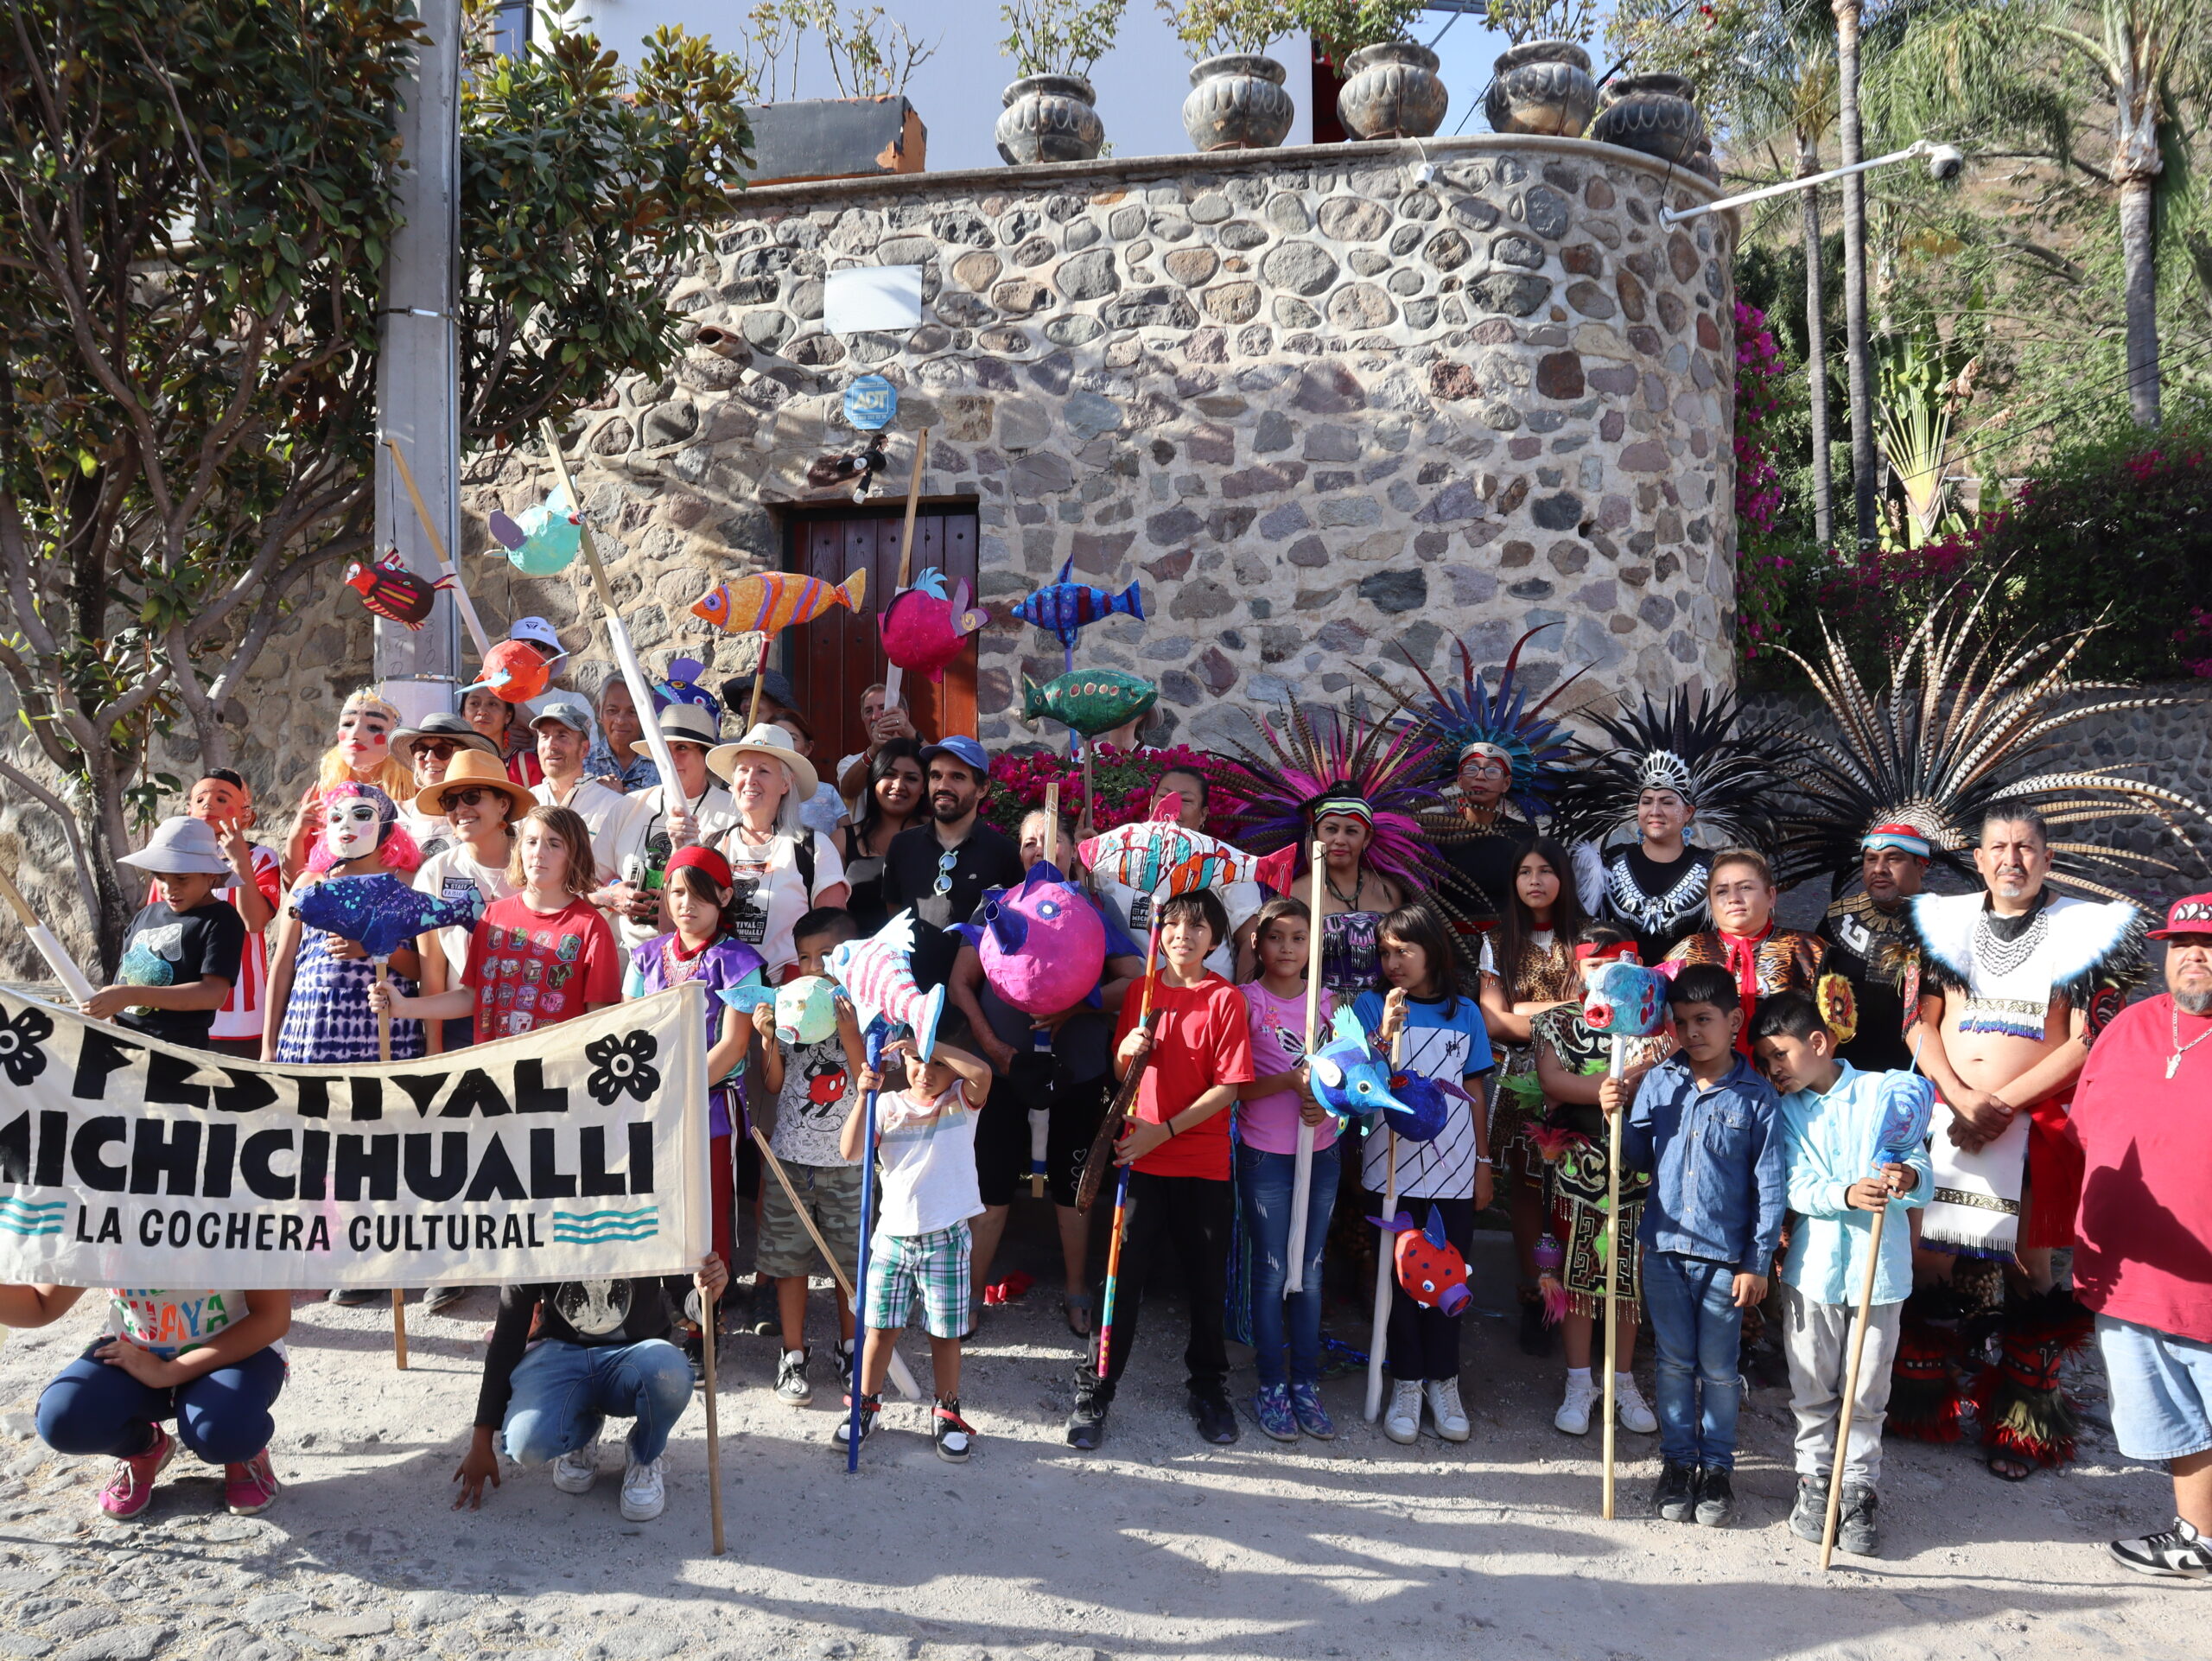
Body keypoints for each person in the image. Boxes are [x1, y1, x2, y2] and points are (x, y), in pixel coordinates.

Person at [1904, 808, 2141, 1480]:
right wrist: (1957, 1094)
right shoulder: (1939, 924)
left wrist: (2003, 1103)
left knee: (2030, 1274)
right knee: (1929, 1261)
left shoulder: (2086, 933)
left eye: (2026, 847)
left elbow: (2090, 1036)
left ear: (2047, 857)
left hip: (2032, 1125)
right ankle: (1924, 1404)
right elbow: (1917, 1021)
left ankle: (2023, 1426)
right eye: (1998, 847)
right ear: (1977, 860)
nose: (2012, 859)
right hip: (1949, 1115)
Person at [1067, 889, 1255, 1452]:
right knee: (1120, 1286)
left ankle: (1209, 1388)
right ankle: (1096, 1389)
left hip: (1201, 1162)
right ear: (1160, 933)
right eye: (1173, 925)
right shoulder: (1142, 993)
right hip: (1138, 1160)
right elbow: (1123, 1072)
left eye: (1198, 928)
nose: (1183, 935)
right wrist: (1126, 1046)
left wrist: (1164, 1131)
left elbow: (1231, 1088)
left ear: (1215, 941)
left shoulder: (1225, 1000)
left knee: (1205, 1286)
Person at [949, 808, 1143, 1340]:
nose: (1039, 850)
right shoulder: (997, 903)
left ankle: (1078, 1290)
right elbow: (961, 983)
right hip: (1003, 1073)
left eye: (1050, 841)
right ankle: (968, 1296)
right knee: (990, 1185)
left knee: (1074, 1186)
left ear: (1069, 851)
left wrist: (1076, 1007)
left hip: (1076, 1070)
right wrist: (992, 1045)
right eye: (1029, 841)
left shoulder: (1093, 908)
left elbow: (1133, 981)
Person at [1607, 961, 1787, 1528]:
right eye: (1682, 1022)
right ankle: (1677, 1464)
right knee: (1673, 1362)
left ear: (1734, 1020)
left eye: (1705, 1020)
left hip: (1724, 1258)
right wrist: (1619, 1113)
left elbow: (1770, 1189)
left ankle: (1718, 1469)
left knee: (1718, 1366)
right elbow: (1636, 1162)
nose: (1693, 1033)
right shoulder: (1661, 1080)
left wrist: (1757, 1262)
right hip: (1663, 1248)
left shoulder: (1757, 1097)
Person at [1751, 990, 1931, 1559]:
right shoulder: (1783, 1113)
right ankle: (1814, 1482)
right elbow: (1793, 1185)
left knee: (1867, 1387)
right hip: (1812, 1272)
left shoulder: (1884, 1092)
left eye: (1779, 1055)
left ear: (1819, 1042)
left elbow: (1924, 1168)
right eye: (1765, 1061)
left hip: (1882, 1273)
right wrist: (1844, 1193)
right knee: (1812, 1386)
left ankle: (1857, 1489)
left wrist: (1905, 1176)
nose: (1773, 1069)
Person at [2070, 893, 2212, 1578]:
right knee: (2177, 1419)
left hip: (2207, 1280)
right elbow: (2087, 1125)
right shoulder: (2130, 1025)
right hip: (2127, 1274)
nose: (2194, 955)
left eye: (2210, 945)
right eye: (2182, 943)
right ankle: (2198, 1536)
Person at [1355, 905, 1497, 1445]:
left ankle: (1445, 1382)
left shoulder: (1465, 1013)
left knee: (1449, 1277)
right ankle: (1407, 1383)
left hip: (1456, 1168)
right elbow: (1360, 1083)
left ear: (1432, 951)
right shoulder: (1371, 1006)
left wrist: (1483, 1165)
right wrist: (1384, 1035)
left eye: (1404, 951)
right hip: (1389, 1168)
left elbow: (1477, 1091)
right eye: (1385, 952)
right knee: (1397, 1282)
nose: (1393, 962)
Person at [623, 846, 766, 1371]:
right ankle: (654, 1313)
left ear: (724, 897)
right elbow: (630, 1027)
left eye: (700, 894)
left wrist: (674, 1087)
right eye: (677, 892)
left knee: (707, 1216)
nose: (686, 905)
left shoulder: (739, 961)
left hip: (708, 1108)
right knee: (655, 1208)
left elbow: (732, 1045)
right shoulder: (646, 956)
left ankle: (703, 1322)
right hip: (650, 1107)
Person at [454, 1255, 728, 1522]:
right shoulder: (542, 1220)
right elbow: (508, 1334)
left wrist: (709, 1293)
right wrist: (481, 1440)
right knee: (525, 1443)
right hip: (560, 1353)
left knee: (671, 1372)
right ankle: (580, 1426)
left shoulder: (648, 1215)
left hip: (635, 1353)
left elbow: (689, 1300)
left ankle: (645, 1453)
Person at [1531, 926, 1672, 1439]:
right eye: (1593, 964)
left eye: (1616, 961)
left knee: (1626, 1280)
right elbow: (1552, 1080)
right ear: (1577, 966)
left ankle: (1621, 1379)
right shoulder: (1554, 1022)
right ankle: (1577, 1381)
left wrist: (1632, 1084)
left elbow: (1660, 1072)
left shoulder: (1654, 1025)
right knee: (1576, 1278)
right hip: (1576, 1169)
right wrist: (1604, 1090)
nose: (1603, 973)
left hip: (1637, 1168)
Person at [1211, 698, 1452, 996]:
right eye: (1330, 829)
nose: (1340, 839)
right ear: (1314, 835)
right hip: (1318, 1018)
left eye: (1352, 831)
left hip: (1381, 1014)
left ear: (1367, 839)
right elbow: (1261, 952)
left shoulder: (1389, 890)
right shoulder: (1291, 893)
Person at [4, 1283, 288, 1520]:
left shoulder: (241, 1214)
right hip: (135, 1351)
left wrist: (169, 1372)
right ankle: (144, 1448)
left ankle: (242, 1453)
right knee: (63, 1420)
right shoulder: (100, 1215)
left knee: (223, 1433)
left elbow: (271, 1318)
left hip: (236, 1353)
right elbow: (41, 1305)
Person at [1554, 691, 1792, 965]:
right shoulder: (1606, 863)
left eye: (1667, 802)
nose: (1655, 811)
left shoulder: (1712, 868)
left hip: (1692, 996)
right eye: (1647, 802)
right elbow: (1589, 937)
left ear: (1688, 813)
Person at [840, 1035, 993, 1461]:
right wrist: (862, 1097)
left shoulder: (961, 1101)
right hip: (892, 1238)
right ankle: (865, 1406)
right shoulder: (886, 1106)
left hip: (946, 1238)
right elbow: (851, 1150)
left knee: (944, 1335)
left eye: (938, 1064)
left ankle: (947, 1411)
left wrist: (932, 1042)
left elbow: (983, 1073)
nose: (926, 1072)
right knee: (879, 1332)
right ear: (903, 1058)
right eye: (917, 1060)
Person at [1391, 627, 1586, 940]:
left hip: (1509, 946)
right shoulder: (1434, 832)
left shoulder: (1523, 836)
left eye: (1491, 771)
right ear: (1458, 778)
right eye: (1472, 769)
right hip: (1448, 947)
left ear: (1507, 782)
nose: (1480, 776)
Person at [372, 804, 623, 1045]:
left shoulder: (591, 927)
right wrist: (404, 1006)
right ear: (519, 850)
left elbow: (597, 1020)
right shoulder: (493, 916)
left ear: (575, 855)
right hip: (495, 1073)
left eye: (554, 844)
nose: (538, 852)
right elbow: (472, 996)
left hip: (557, 1076)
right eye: (531, 842)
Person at [1475, 837, 1586, 1355]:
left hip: (1585, 1077)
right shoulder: (1498, 941)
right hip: (1520, 1082)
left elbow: (1607, 1014)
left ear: (1564, 878)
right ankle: (1535, 1297)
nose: (1535, 881)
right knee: (1525, 1188)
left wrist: (1530, 1008)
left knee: (1580, 1190)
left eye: (1546, 871)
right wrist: (1569, 1007)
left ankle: (1583, 1298)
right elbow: (1494, 1020)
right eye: (1524, 871)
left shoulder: (1591, 939)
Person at [752, 909, 866, 1403]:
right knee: (790, 1260)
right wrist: (767, 1038)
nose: (814, 966)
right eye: (804, 957)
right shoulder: (791, 1005)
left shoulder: (864, 1006)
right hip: (791, 1157)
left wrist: (848, 1029)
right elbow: (775, 1084)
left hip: (850, 1162)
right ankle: (793, 1355)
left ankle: (851, 1348)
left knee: (850, 1264)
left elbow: (868, 1076)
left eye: (826, 956)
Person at [1236, 895, 1338, 1441]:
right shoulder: (1244, 1003)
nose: (1287, 948)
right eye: (1276, 937)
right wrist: (1290, 1082)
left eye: (1299, 938)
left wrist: (1326, 1098)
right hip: (1265, 1152)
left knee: (1311, 1271)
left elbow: (1349, 1076)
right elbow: (1234, 1086)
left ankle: (1306, 1383)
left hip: (1321, 1151)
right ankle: (1271, 1383)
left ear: (1312, 946)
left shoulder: (1327, 1004)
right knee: (1274, 1270)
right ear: (1258, 943)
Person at [266, 784, 424, 1068]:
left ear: (385, 825)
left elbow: (423, 971)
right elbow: (283, 965)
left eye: (362, 815)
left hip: (384, 1029)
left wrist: (375, 947)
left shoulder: (408, 884)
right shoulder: (308, 883)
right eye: (336, 817)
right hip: (309, 1026)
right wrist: (268, 1045)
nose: (347, 825)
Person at [880, 736, 1022, 1027]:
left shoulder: (1004, 853)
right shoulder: (902, 846)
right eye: (935, 776)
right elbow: (894, 914)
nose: (943, 785)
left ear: (982, 788)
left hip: (978, 1013)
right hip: (911, 1007)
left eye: (957, 777)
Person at [410, 749, 532, 1059]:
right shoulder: (435, 872)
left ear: (503, 804)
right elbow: (432, 969)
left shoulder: (536, 864)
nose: (460, 809)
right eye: (450, 801)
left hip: (532, 1014)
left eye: (472, 796)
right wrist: (434, 1047)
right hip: (461, 1024)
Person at [87, 817, 246, 1053]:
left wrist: (131, 995)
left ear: (211, 876)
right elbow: (124, 976)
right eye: (160, 877)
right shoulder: (145, 915)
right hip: (120, 1048)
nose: (169, 889)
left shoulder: (221, 920)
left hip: (174, 1057)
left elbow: (213, 994)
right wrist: (107, 1010)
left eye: (182, 879)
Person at [703, 723, 849, 980]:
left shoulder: (815, 848)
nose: (750, 779)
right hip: (719, 990)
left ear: (785, 784)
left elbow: (833, 938)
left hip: (787, 997)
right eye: (743, 770)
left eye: (763, 771)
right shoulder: (713, 846)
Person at [149, 773, 277, 1059]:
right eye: (201, 798)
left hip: (241, 1012)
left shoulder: (262, 859)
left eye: (222, 798)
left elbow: (254, 922)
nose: (209, 804)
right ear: (189, 811)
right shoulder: (167, 863)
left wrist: (240, 860)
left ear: (246, 816)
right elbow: (153, 929)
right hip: (178, 1001)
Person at [1090, 767, 1258, 979]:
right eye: (1164, 796)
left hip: (1209, 1005)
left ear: (1203, 814)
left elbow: (1250, 940)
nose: (1173, 806)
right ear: (1152, 803)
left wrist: (1244, 999)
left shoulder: (1224, 862)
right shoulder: (1117, 855)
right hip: (1132, 1005)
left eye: (1186, 801)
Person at [601, 703, 740, 953]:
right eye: (664, 749)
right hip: (624, 955)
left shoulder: (733, 813)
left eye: (683, 748)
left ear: (705, 756)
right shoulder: (628, 806)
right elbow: (586, 882)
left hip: (699, 957)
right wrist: (612, 896)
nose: (672, 758)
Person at [1664, 848, 1827, 1055]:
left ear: (1771, 896)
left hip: (1787, 1078)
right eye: (1721, 891)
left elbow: (1832, 1030)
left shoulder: (1808, 948)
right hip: (1704, 1078)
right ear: (1711, 902)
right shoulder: (1687, 951)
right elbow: (1663, 1027)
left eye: (1746, 888)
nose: (1733, 898)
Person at [1817, 825, 1932, 1072]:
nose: (1879, 869)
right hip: (1844, 1070)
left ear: (1921, 866)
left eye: (1893, 858)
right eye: (1871, 859)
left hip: (1919, 1072)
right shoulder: (1838, 918)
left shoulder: (1948, 922)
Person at [282, 688, 416, 878]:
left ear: (395, 738)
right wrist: (297, 834)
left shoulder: (411, 791)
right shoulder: (321, 795)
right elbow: (295, 884)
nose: (356, 734)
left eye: (374, 727)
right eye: (348, 723)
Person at [531, 699, 642, 885]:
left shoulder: (614, 805)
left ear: (584, 749)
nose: (551, 745)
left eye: (562, 736)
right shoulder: (528, 801)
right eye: (544, 735)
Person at [837, 737, 925, 936]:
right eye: (889, 774)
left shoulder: (939, 837)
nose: (898, 785)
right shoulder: (842, 841)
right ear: (874, 779)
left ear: (923, 787)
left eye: (911, 778)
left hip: (924, 960)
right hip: (857, 961)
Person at [392, 711, 502, 857]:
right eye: (421, 749)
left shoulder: (486, 811)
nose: (430, 758)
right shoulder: (394, 814)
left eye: (443, 750)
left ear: (467, 756)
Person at [835, 681, 920, 805]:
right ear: (864, 719)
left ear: (904, 715)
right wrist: (874, 750)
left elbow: (938, 768)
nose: (875, 716)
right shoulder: (851, 762)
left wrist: (913, 734)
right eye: (868, 711)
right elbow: (848, 791)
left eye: (883, 708)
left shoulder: (920, 756)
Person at [768, 706, 849, 837]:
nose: (784, 745)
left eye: (792, 739)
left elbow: (848, 841)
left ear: (808, 748)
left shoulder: (827, 793)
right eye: (776, 738)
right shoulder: (758, 792)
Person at [586, 672, 660, 793]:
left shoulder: (663, 763)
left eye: (632, 712)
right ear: (600, 711)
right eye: (612, 710)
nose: (620, 721)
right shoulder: (582, 762)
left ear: (648, 714)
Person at [461, 684, 543, 790]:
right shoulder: (449, 760)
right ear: (463, 714)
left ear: (508, 716)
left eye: (493, 704)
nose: (482, 712)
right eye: (474, 703)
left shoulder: (528, 765)